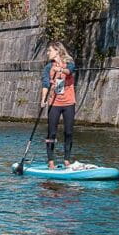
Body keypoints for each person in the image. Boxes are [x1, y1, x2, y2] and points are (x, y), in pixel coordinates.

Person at [41, 41, 78, 170]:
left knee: (68, 132)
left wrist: (60, 69)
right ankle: (51, 161)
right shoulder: (48, 67)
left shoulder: (70, 62)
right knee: (52, 133)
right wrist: (43, 100)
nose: (47, 53)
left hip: (68, 102)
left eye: (49, 50)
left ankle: (67, 159)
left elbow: (69, 71)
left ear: (57, 51)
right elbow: (45, 84)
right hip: (54, 103)